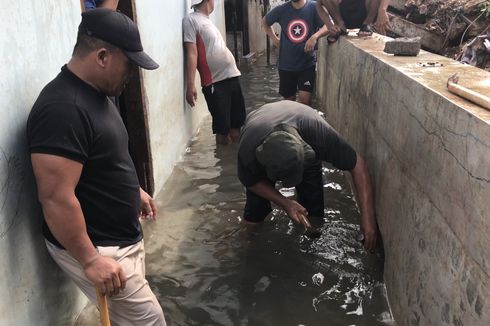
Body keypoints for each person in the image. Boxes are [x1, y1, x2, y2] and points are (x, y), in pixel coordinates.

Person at [27, 9, 166, 325]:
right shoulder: (63, 110)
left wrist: (134, 190)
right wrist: (91, 260)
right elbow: (55, 197)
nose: (132, 74)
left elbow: (107, 156)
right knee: (151, 321)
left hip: (119, 243)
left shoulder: (97, 93)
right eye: (129, 65)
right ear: (103, 56)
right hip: (102, 249)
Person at [238, 101, 377, 251]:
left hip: (301, 131)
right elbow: (251, 182)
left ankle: (310, 247)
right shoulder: (248, 151)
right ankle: (248, 246)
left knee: (314, 210)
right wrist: (285, 202)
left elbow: (358, 165)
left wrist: (367, 216)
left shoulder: (319, 136)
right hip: (261, 134)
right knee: (255, 213)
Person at [183, 0, 246, 145]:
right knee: (222, 131)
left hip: (232, 76)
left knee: (237, 125)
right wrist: (191, 84)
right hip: (215, 83)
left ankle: (233, 162)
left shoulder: (208, 21)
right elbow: (192, 53)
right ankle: (223, 163)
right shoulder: (190, 20)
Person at [263, 0, 328, 106]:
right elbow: (265, 22)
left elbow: (328, 25)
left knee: (305, 100)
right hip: (286, 65)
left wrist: (315, 36)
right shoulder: (281, 9)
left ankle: (304, 122)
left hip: (307, 64)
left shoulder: (314, 7)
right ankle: (291, 122)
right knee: (289, 102)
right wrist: (274, 39)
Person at [316, 0, 390, 43]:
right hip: (343, 15)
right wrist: (330, 26)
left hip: (366, 13)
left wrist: (382, 10)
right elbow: (318, 5)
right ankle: (340, 25)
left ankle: (367, 25)